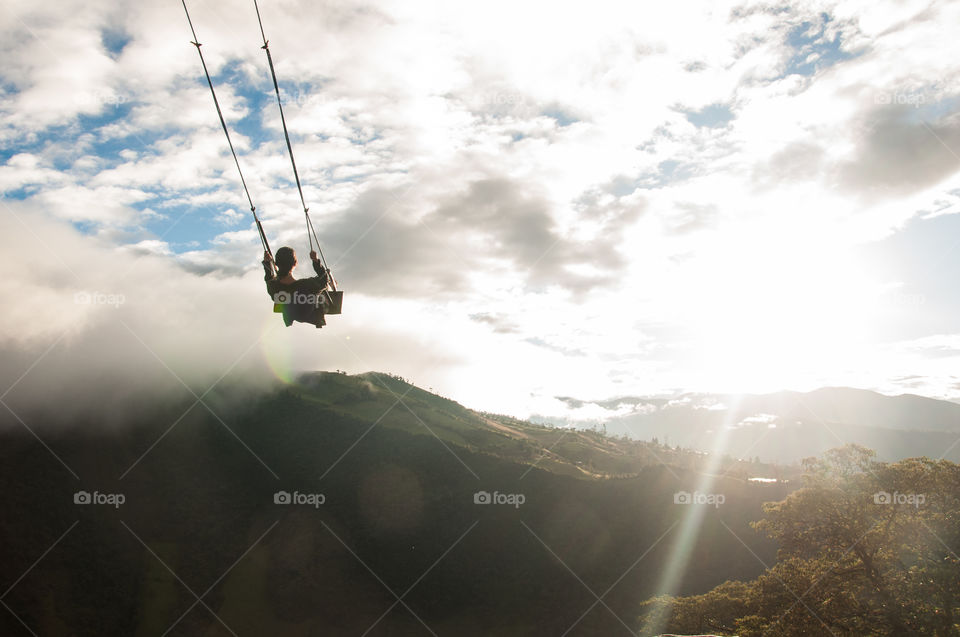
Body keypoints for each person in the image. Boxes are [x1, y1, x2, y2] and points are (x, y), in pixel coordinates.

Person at [263, 247, 330, 328]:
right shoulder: (307, 285)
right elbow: (324, 281)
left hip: (292, 314)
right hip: (310, 312)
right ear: (295, 263)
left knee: (318, 290)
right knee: (322, 291)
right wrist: (315, 260)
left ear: (276, 263)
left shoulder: (275, 287)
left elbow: (269, 279)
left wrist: (268, 264)